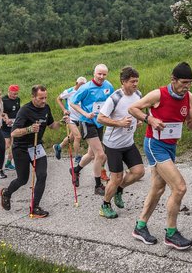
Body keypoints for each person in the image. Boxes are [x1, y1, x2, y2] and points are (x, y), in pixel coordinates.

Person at [128, 62, 192, 250]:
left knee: (158, 188)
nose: (186, 86)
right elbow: (133, 108)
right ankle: (171, 234)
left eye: (190, 83)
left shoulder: (189, 98)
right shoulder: (158, 94)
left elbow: (189, 124)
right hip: (155, 145)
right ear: (173, 79)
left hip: (171, 147)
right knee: (179, 187)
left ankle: (140, 227)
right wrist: (150, 119)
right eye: (184, 82)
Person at [0, 85, 65, 218]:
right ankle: (7, 192)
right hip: (21, 148)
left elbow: (51, 125)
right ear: (33, 97)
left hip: (36, 147)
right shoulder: (24, 110)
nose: (44, 101)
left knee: (42, 175)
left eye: (45, 97)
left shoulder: (46, 108)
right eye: (41, 98)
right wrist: (29, 129)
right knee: (23, 179)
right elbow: (14, 133)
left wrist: (63, 122)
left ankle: (34, 207)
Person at [96, 66, 145, 219]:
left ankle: (119, 189)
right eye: (132, 81)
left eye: (137, 81)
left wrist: (139, 120)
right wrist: (119, 123)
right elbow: (100, 118)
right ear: (123, 82)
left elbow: (139, 111)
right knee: (116, 178)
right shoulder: (114, 98)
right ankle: (105, 205)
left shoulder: (138, 94)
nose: (135, 84)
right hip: (113, 145)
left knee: (139, 172)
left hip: (128, 143)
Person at [70, 64, 114, 196]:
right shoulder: (86, 88)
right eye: (99, 74)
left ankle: (75, 170)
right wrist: (84, 114)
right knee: (100, 155)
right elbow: (73, 102)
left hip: (99, 123)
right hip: (87, 122)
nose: (101, 77)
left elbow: (112, 101)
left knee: (91, 155)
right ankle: (97, 185)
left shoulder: (108, 86)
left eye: (104, 74)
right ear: (94, 73)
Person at [53, 77, 87, 162]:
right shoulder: (69, 91)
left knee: (71, 137)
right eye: (80, 85)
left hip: (81, 118)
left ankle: (58, 147)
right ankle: (78, 157)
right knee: (78, 137)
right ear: (76, 83)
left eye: (84, 85)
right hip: (70, 118)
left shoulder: (84, 92)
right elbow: (58, 99)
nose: (82, 87)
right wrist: (64, 110)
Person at [1, 85, 21, 170]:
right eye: (13, 94)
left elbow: (18, 111)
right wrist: (6, 119)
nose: (15, 96)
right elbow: (0, 113)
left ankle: (8, 163)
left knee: (13, 145)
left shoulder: (17, 99)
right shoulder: (3, 100)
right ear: (8, 92)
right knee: (6, 144)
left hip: (14, 125)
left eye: (16, 94)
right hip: (5, 125)